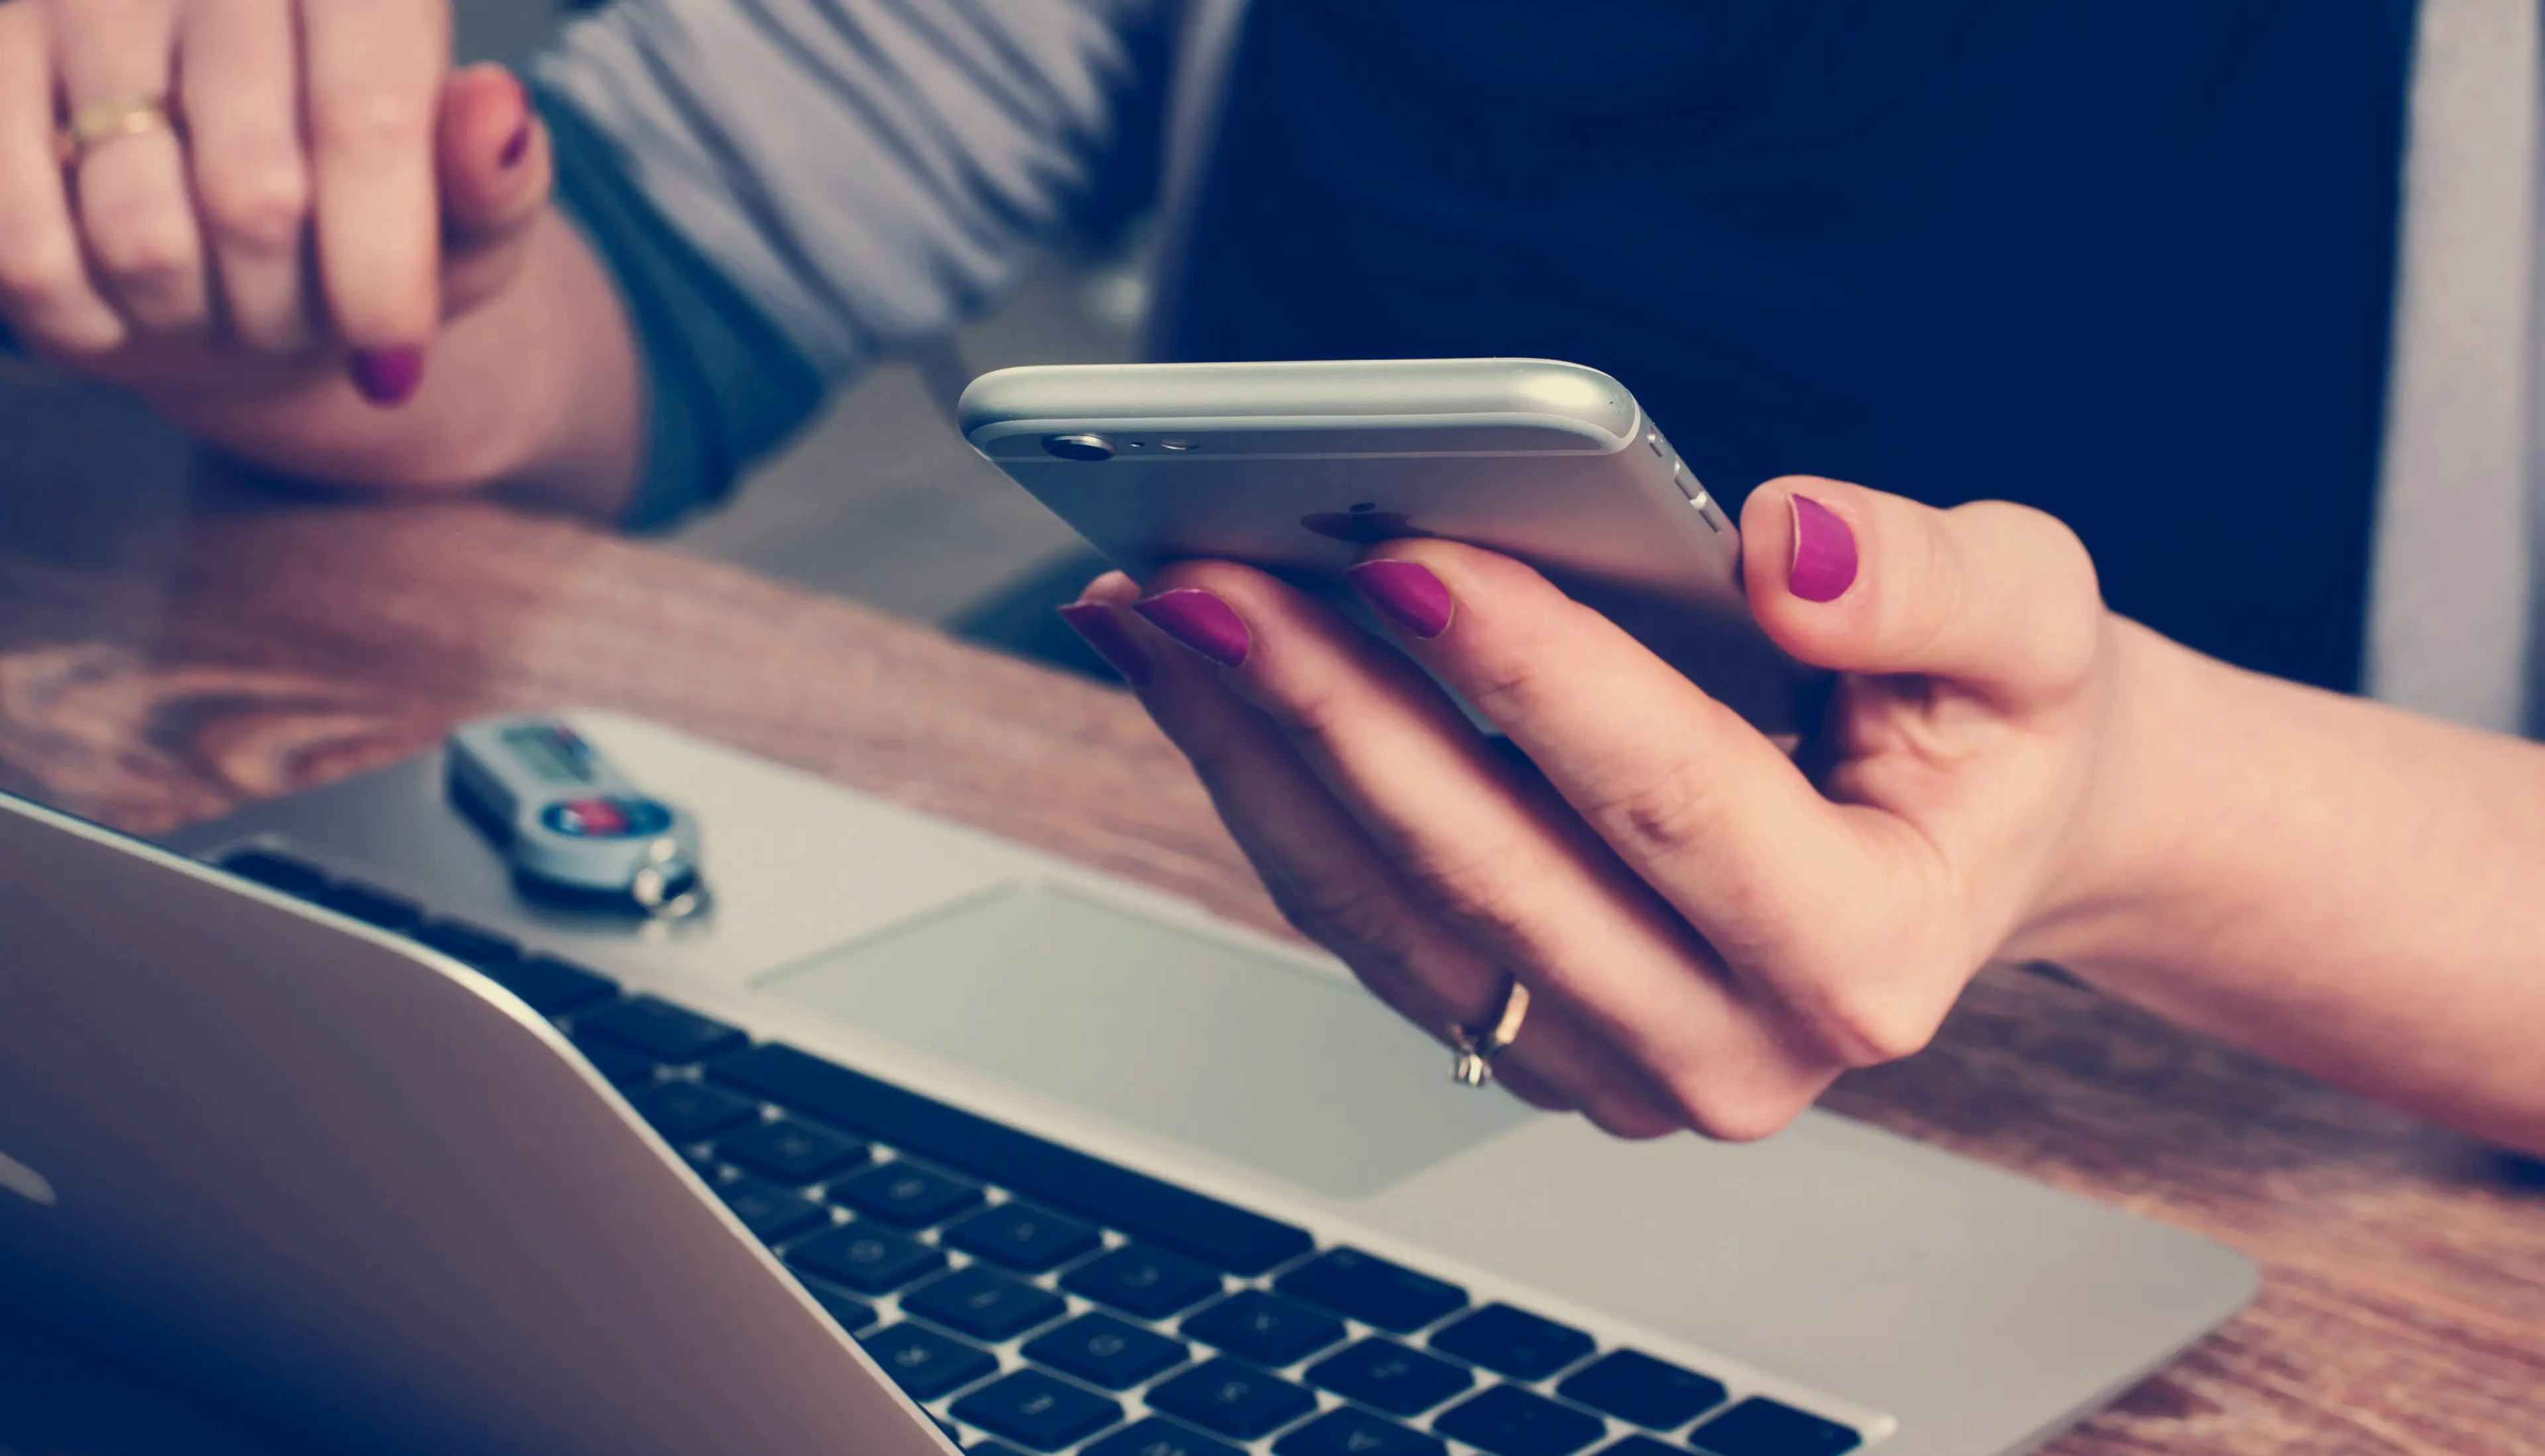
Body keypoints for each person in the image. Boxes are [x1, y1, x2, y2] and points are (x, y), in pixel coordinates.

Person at [1, 0, 2537, 1154]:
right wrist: (309, 264)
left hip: (2274, 1210)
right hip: (1216, 1022)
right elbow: (660, 274)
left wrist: (2135, 809)